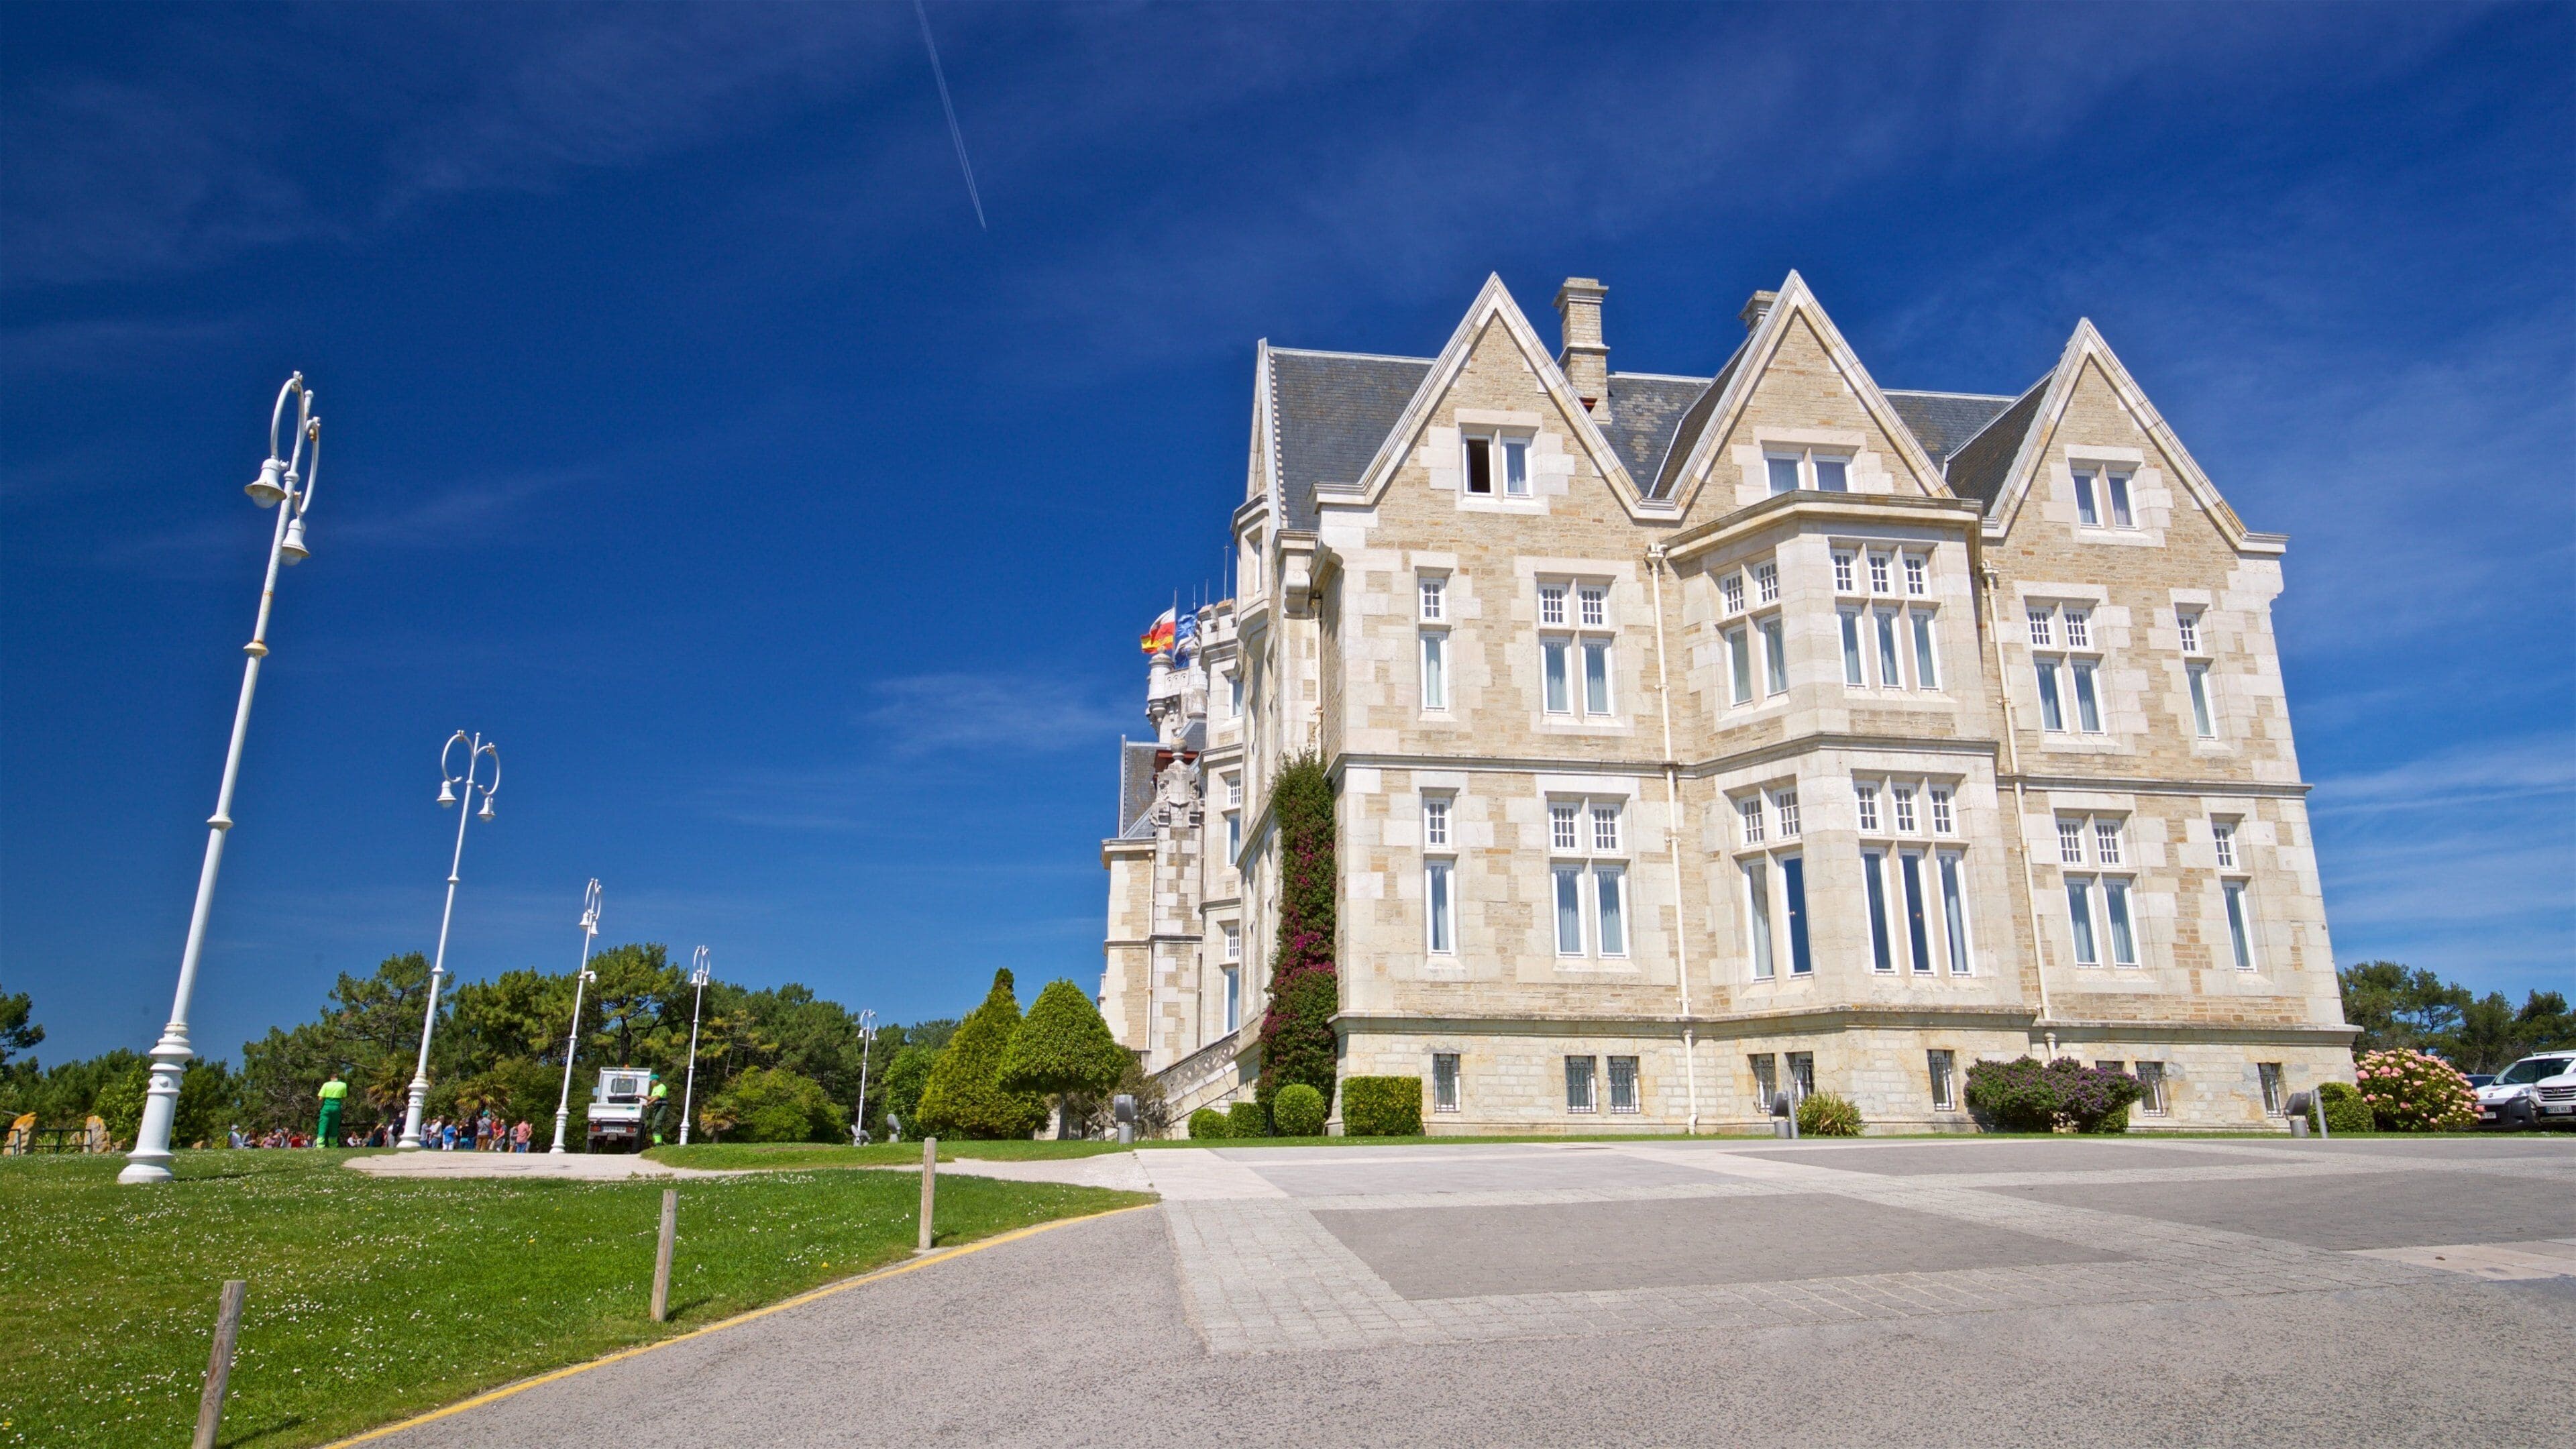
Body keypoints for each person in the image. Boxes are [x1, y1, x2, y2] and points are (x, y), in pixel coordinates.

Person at [316, 1074, 348, 1147]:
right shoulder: (343, 1085)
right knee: (334, 1126)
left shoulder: (326, 1085)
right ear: (337, 1078)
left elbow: (320, 1098)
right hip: (336, 1107)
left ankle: (320, 1145)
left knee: (322, 1125)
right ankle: (333, 1145)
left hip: (327, 1107)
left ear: (331, 1078)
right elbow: (344, 1096)